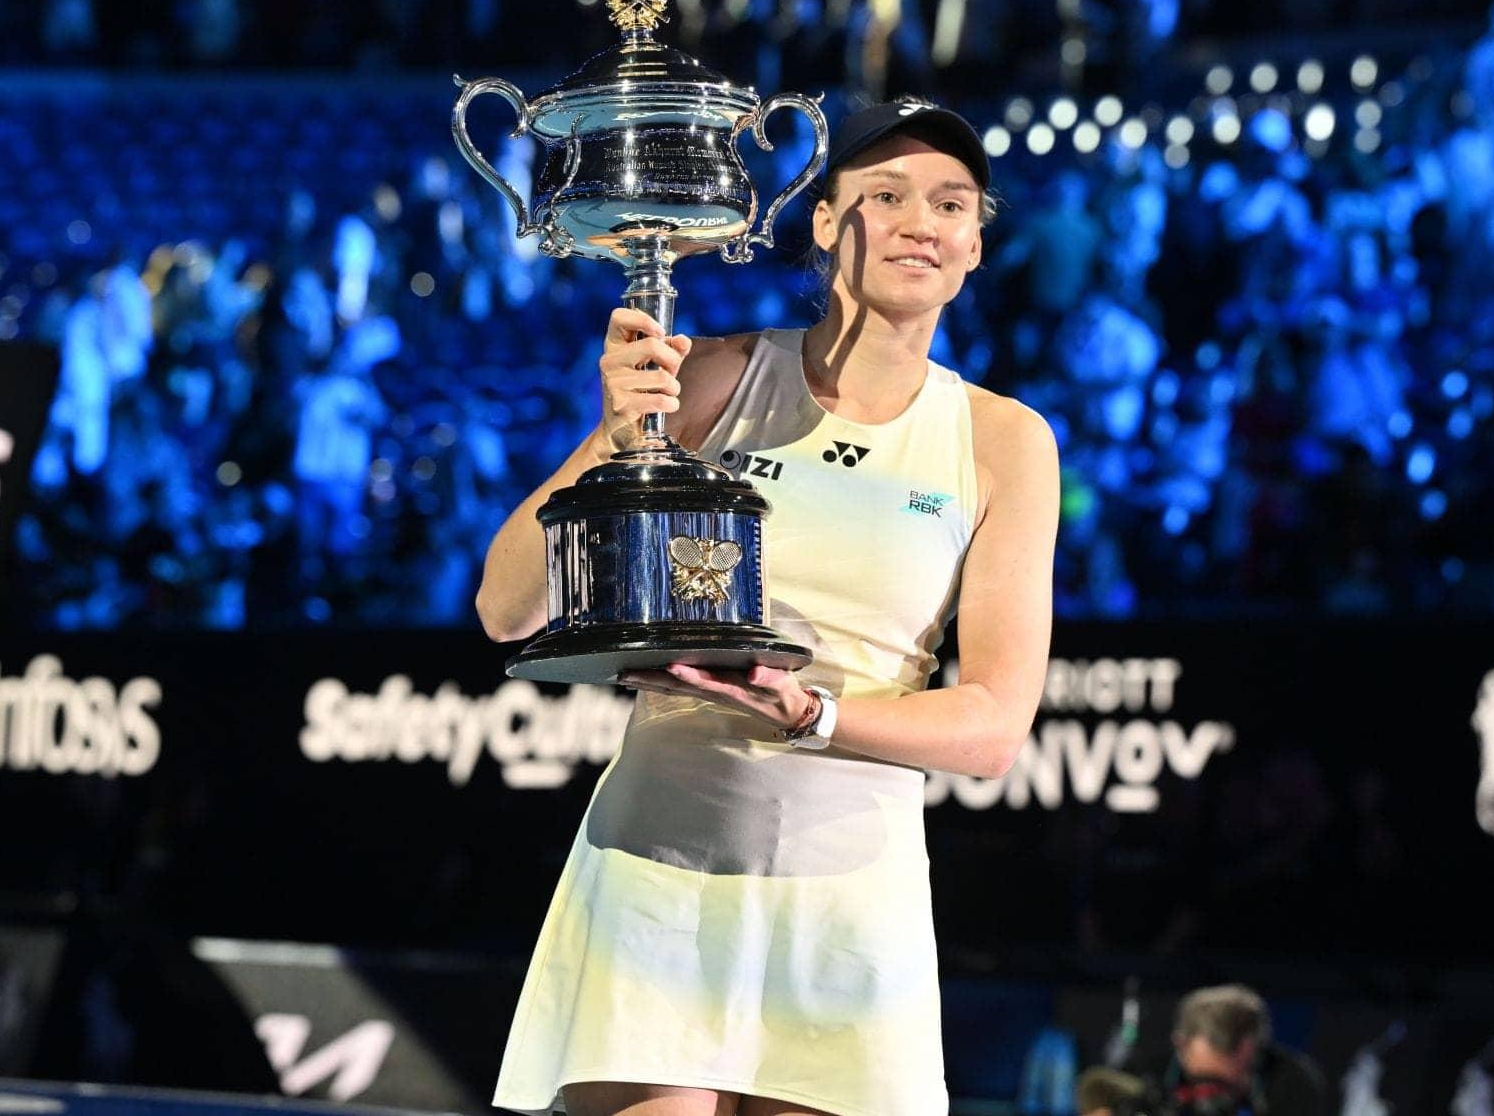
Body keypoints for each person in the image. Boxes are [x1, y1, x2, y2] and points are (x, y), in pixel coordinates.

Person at [475, 100, 1061, 1116]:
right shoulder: (711, 377)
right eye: (884, 194)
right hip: (659, 873)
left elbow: (993, 725)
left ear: (975, 241)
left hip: (849, 904)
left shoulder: (1004, 440)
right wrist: (617, 435)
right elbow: (508, 602)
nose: (919, 221)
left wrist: (813, 712)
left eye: (949, 202)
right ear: (825, 220)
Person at [1155, 985, 1326, 1116]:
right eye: (1200, 1079)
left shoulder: (1291, 1081)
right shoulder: (1146, 1076)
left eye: (1221, 1084)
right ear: (1180, 1044)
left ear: (1251, 1049)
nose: (1208, 1095)